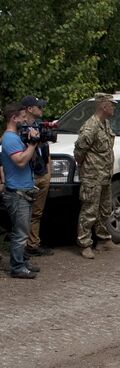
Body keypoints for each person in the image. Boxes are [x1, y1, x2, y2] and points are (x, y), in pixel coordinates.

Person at [73, 93, 120, 259]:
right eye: (112, 105)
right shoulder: (91, 127)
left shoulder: (105, 124)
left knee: (105, 209)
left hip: (105, 174)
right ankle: (85, 243)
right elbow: (79, 151)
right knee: (89, 211)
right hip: (93, 176)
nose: (114, 108)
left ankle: (103, 240)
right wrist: (85, 167)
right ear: (104, 106)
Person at [1, 102, 41, 278]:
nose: (26, 121)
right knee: (20, 232)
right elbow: (20, 161)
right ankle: (17, 267)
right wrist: (32, 144)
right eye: (23, 118)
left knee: (22, 230)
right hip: (17, 193)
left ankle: (22, 262)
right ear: (13, 118)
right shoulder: (9, 139)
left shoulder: (16, 137)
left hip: (24, 190)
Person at [21, 95, 54, 257]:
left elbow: (46, 150)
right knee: (23, 213)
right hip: (29, 175)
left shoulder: (39, 126)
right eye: (39, 107)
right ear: (29, 109)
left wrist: (49, 171)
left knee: (37, 213)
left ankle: (33, 244)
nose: (42, 110)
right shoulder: (20, 129)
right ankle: (21, 246)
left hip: (42, 174)